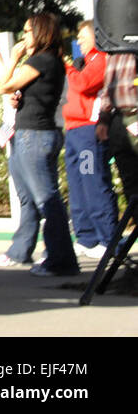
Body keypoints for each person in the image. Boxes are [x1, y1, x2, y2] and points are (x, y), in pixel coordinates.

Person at [0, 13, 80, 276]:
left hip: (35, 136)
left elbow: (4, 86)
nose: (23, 36)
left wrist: (13, 58)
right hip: (30, 133)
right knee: (29, 198)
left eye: (28, 31)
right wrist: (21, 100)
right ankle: (21, 251)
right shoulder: (48, 62)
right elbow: (23, 93)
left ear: (41, 33)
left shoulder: (42, 59)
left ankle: (61, 261)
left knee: (46, 199)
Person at [62, 21, 117, 258]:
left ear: (97, 37)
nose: (79, 43)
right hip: (73, 130)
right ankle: (86, 237)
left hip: (88, 131)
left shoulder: (101, 59)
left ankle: (108, 238)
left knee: (93, 183)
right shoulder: (84, 63)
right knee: (77, 184)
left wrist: (66, 67)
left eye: (84, 37)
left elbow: (83, 85)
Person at [94, 51, 138, 208]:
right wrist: (103, 120)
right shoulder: (113, 52)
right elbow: (108, 90)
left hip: (133, 114)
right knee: (129, 180)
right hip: (119, 118)